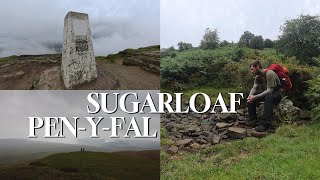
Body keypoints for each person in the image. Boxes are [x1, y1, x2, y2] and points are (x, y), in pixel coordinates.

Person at [247, 60, 282, 132]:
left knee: (268, 97)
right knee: (252, 96)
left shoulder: (270, 74)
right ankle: (253, 119)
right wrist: (250, 96)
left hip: (277, 94)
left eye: (252, 69)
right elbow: (254, 88)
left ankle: (265, 124)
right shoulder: (257, 76)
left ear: (257, 67)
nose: (251, 71)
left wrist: (255, 97)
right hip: (269, 93)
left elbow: (270, 90)